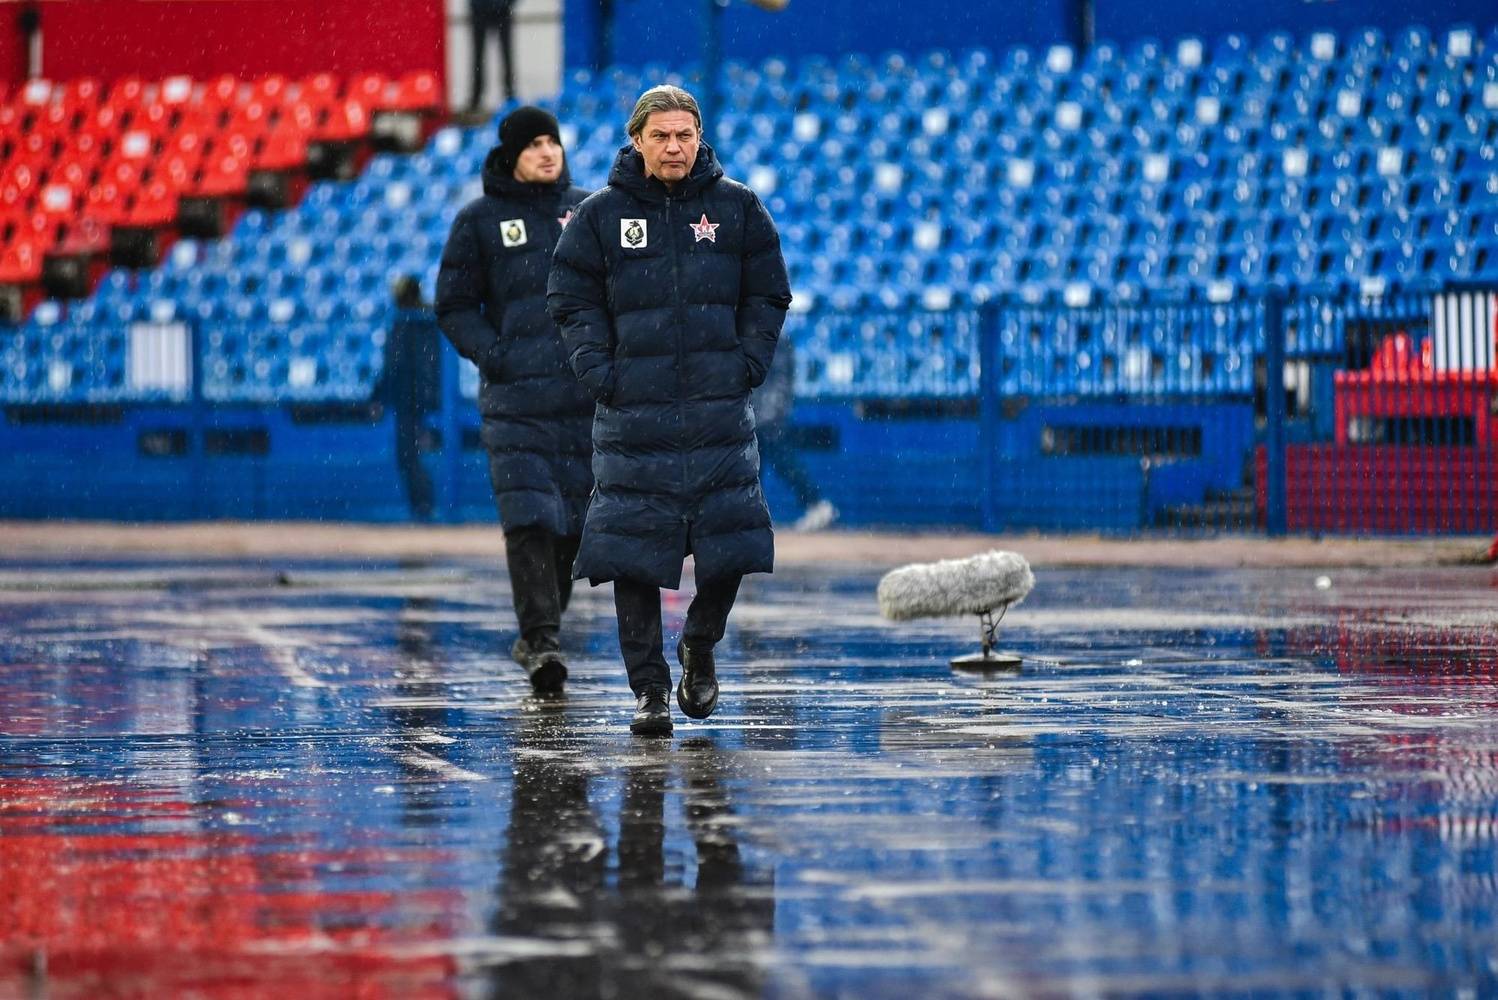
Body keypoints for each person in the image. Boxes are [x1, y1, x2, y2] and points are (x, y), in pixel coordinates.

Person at [548, 84, 792, 736]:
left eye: (685, 134)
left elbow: (770, 293)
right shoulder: (599, 217)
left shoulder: (738, 208)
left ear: (699, 137)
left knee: (732, 543)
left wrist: (747, 365)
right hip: (633, 412)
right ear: (637, 140)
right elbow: (570, 300)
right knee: (634, 553)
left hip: (718, 409)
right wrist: (602, 372)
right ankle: (649, 691)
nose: (675, 146)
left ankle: (700, 644)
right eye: (661, 135)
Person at [435, 106, 593, 695]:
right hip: (516, 402)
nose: (547, 152)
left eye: (553, 141)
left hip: (582, 400)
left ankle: (537, 633)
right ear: (511, 156)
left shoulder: (588, 210)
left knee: (573, 526)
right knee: (530, 519)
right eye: (534, 145)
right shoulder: (478, 221)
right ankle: (543, 639)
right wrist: (495, 354)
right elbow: (453, 306)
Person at [751, 335, 837, 531]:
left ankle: (816, 504)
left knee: (782, 461)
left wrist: (770, 412)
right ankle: (753, 514)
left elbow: (781, 381)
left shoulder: (776, 338)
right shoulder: (757, 334)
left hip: (768, 416)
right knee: (758, 466)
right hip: (758, 413)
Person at [381, 275, 440, 521]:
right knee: (408, 457)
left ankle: (425, 508)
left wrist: (382, 395)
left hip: (413, 400)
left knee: (409, 456)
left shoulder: (413, 322)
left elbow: (397, 365)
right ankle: (423, 507)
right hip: (414, 399)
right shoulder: (416, 322)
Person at [465, 0, 516, 114]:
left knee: (505, 54)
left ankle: (510, 95)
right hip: (485, 8)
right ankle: (476, 98)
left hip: (500, 9)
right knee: (479, 56)